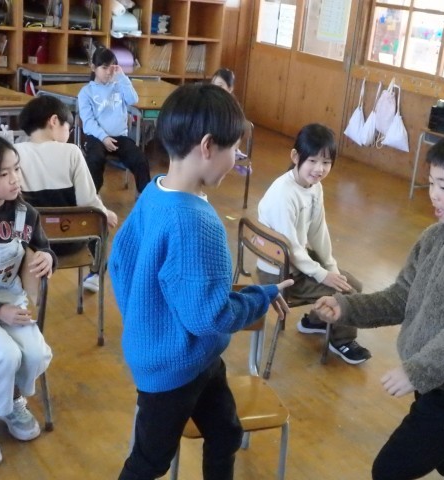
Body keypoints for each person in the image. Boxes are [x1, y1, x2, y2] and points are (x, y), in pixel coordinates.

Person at [315, 129, 444, 480]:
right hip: (434, 372)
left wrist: (417, 371)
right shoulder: (438, 233)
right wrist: (348, 308)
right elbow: (402, 296)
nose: (434, 194)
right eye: (431, 183)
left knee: (389, 469)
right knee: (439, 446)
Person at [109, 83, 293, 480]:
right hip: (170, 370)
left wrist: (144, 319)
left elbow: (119, 263)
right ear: (208, 146)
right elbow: (210, 317)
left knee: (226, 433)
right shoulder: (197, 223)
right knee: (149, 463)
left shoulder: (154, 192)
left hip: (197, 359)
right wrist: (259, 297)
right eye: (235, 150)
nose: (236, 159)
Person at [257, 123, 372, 365]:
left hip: (295, 262)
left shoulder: (314, 187)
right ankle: (341, 340)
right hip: (280, 273)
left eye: (326, 162)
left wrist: (331, 267)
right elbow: (290, 248)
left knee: (353, 284)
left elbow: (319, 230)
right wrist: (322, 275)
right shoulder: (283, 194)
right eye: (312, 161)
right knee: (347, 294)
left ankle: (314, 321)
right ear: (295, 156)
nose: (319, 169)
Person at [0, 134, 55, 468]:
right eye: (3, 174)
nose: (14, 179)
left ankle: (10, 403)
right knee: (3, 354)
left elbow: (42, 247)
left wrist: (47, 257)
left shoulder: (25, 213)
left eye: (16, 169)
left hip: (9, 295)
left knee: (34, 353)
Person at [16, 95, 118, 293]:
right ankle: (96, 273)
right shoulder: (72, 152)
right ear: (54, 121)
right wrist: (106, 213)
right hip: (70, 241)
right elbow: (88, 200)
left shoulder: (14, 152)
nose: (69, 134)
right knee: (100, 219)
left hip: (30, 244)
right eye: (68, 128)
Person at [78, 47, 151, 196]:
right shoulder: (86, 92)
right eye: (104, 68)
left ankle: (145, 196)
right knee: (95, 159)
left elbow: (133, 100)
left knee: (140, 159)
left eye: (112, 68)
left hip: (119, 137)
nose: (108, 72)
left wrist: (122, 77)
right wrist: (104, 137)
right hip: (96, 137)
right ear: (93, 68)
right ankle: (92, 196)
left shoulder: (119, 85)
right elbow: (88, 121)